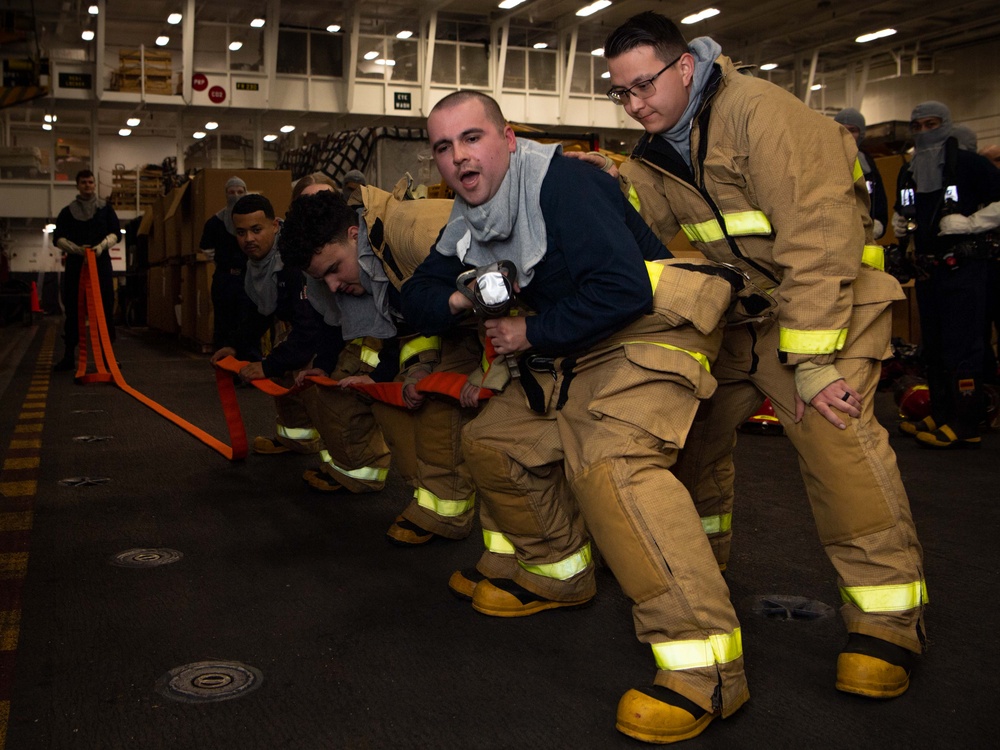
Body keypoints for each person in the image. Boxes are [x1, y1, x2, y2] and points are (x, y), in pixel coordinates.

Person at [402, 89, 771, 744]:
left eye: (471, 138)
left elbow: (623, 288)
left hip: (650, 334)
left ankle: (708, 671)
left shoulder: (564, 185)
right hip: (570, 352)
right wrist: (465, 296)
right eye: (442, 146)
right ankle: (558, 573)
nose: (457, 157)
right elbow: (416, 297)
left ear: (506, 138)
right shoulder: (470, 217)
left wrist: (531, 331)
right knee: (491, 442)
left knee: (611, 465)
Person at [597, 9, 926, 723]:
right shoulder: (655, 151)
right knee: (690, 438)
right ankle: (702, 574)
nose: (635, 103)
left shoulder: (761, 116)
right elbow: (647, 240)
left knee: (836, 441)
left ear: (685, 66)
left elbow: (819, 237)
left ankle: (889, 622)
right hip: (743, 318)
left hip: (826, 308)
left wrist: (812, 362)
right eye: (620, 93)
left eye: (643, 85)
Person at [280, 183, 481, 545]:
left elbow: (512, 288)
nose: (334, 285)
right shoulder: (372, 254)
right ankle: (437, 506)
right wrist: (385, 377)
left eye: (334, 269)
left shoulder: (418, 235)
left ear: (354, 235)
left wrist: (491, 370)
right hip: (464, 325)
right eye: (322, 278)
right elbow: (402, 320)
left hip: (524, 321)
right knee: (396, 401)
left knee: (464, 421)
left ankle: (449, 512)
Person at [893, 101, 1000, 446]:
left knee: (963, 346)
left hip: (963, 269)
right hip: (927, 272)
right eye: (918, 125)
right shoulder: (909, 170)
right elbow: (904, 208)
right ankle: (941, 411)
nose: (925, 132)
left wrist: (971, 223)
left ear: (947, 124)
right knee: (934, 348)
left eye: (932, 124)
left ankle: (967, 422)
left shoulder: (970, 165)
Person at [210, 194, 339, 455]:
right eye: (241, 232)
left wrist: (267, 366)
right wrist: (235, 346)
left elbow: (309, 331)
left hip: (333, 333)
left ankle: (347, 466)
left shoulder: (292, 263)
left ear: (275, 226)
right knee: (285, 373)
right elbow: (260, 312)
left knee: (319, 388)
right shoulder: (258, 265)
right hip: (304, 326)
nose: (248, 239)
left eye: (257, 230)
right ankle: (298, 440)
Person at [52, 169, 121, 370]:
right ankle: (68, 356)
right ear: (78, 185)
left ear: (94, 184)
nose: (88, 185)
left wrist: (100, 247)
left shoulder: (106, 210)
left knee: (105, 309)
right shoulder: (67, 212)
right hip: (76, 267)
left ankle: (108, 356)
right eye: (84, 182)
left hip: (101, 265)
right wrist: (75, 250)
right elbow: (58, 238)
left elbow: (116, 233)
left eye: (90, 182)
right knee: (74, 309)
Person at [199, 177, 266, 361]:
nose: (236, 196)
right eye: (232, 192)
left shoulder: (253, 223)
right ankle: (225, 365)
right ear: (226, 194)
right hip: (225, 280)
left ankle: (251, 364)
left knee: (250, 320)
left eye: (240, 191)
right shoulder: (215, 222)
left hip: (249, 277)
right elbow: (205, 247)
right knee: (224, 322)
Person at [834, 108, 888, 239]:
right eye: (841, 129)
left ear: (861, 134)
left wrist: (879, 221)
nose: (847, 134)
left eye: (852, 130)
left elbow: (878, 196)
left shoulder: (867, 163)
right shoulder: (823, 162)